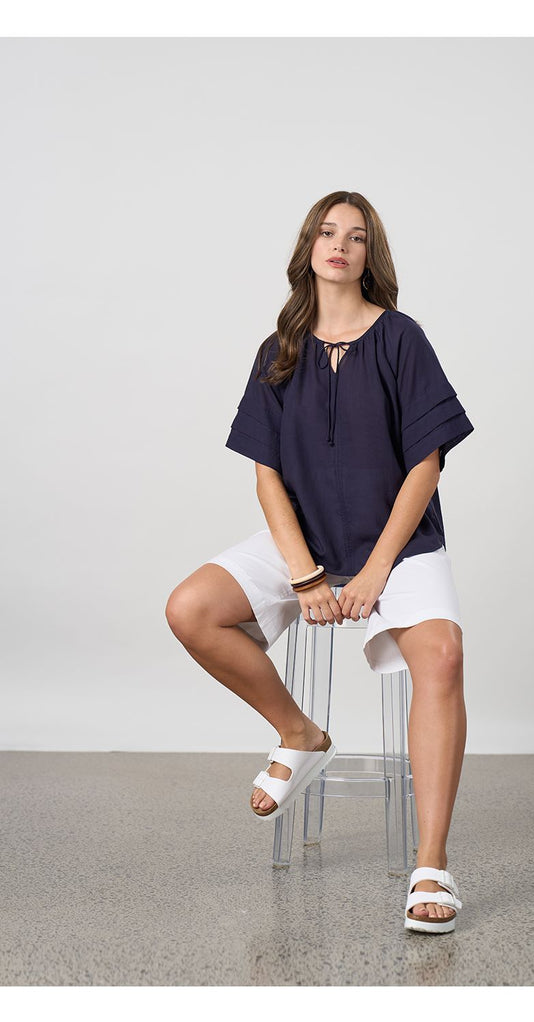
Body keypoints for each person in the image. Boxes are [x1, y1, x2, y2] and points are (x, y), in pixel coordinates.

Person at [165, 190, 474, 934]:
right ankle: (300, 734)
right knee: (190, 609)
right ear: (309, 247)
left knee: (442, 656)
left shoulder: (401, 338)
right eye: (328, 232)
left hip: (396, 547)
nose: (340, 244)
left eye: (357, 236)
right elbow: (266, 472)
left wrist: (373, 572)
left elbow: (426, 461)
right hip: (302, 540)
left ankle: (430, 863)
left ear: (371, 256)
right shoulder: (278, 351)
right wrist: (304, 573)